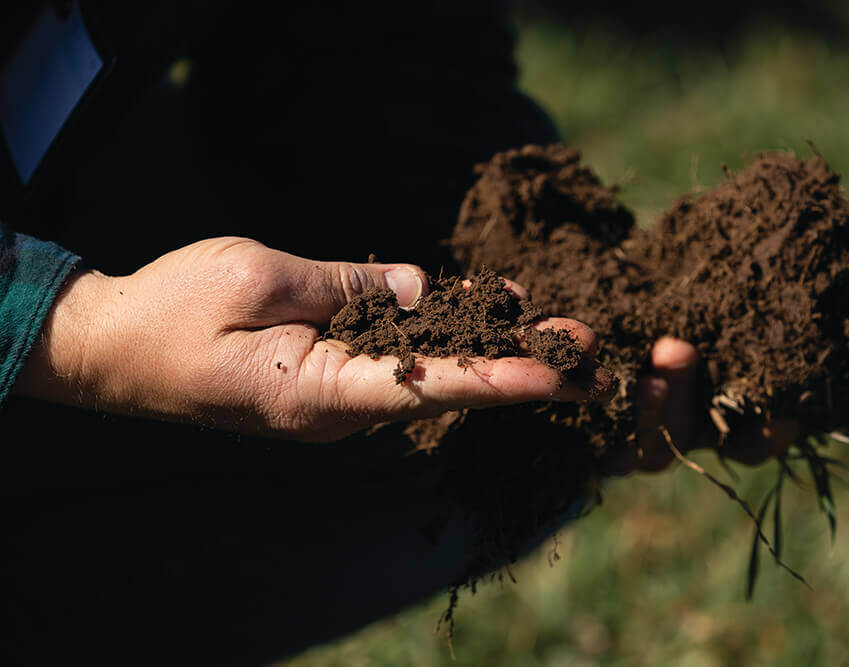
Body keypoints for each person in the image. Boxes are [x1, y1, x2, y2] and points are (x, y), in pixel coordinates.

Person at [0, 2, 789, 664]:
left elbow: (391, 44)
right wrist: (76, 328)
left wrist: (541, 254)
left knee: (497, 432)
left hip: (59, 168)